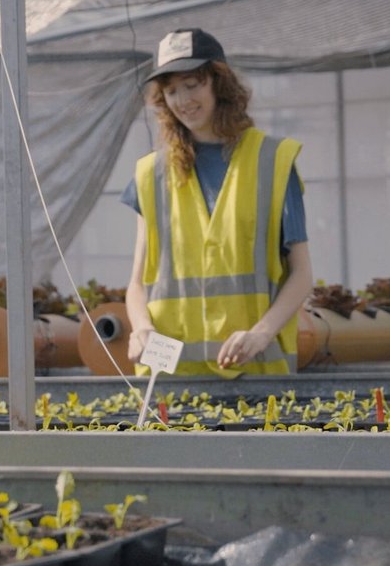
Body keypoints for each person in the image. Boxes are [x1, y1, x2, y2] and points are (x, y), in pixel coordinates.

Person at [123, 28, 313, 377]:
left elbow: (301, 274)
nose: (182, 100)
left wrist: (260, 334)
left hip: (255, 370)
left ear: (219, 83)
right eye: (171, 90)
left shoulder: (272, 161)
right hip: (171, 378)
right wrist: (141, 329)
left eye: (192, 84)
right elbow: (137, 283)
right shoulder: (151, 175)